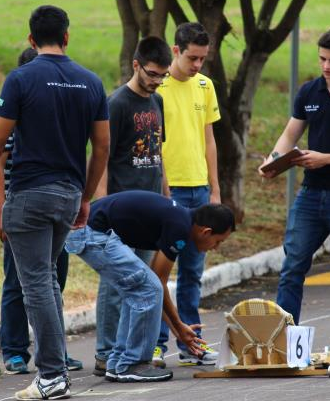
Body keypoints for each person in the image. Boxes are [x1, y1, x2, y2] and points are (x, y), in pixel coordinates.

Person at [0, 5, 109, 401]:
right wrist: (85, 196)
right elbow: (102, 147)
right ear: (67, 37)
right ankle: (55, 367)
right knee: (46, 280)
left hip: (29, 194)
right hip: (67, 195)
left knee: (36, 286)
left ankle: (51, 374)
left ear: (31, 39)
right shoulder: (91, 82)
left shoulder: (21, 78)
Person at [259, 29, 330, 354]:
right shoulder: (309, 91)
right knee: (292, 266)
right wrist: (273, 161)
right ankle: (285, 339)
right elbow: (289, 134)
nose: (326, 66)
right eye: (322, 59)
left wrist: (326, 159)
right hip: (310, 195)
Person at [65, 191, 235, 382]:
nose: (216, 248)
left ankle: (119, 362)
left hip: (88, 230)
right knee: (147, 289)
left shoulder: (181, 220)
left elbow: (155, 286)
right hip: (91, 232)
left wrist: (178, 329)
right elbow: (157, 284)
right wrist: (178, 327)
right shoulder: (180, 227)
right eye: (218, 241)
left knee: (140, 289)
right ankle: (133, 364)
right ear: (206, 232)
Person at [0, 47, 83, 375]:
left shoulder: (55, 114)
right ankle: (15, 348)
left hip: (58, 204)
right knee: (18, 280)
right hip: (22, 203)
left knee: (54, 278)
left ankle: (53, 351)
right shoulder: (14, 113)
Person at [91, 36, 171, 377]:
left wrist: (167, 200)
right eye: (152, 74)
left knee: (143, 283)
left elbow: (158, 155)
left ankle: (129, 351)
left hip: (152, 210)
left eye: (162, 76)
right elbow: (103, 157)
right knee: (116, 284)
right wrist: (104, 208)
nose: (156, 81)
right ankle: (105, 352)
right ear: (136, 65)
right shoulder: (117, 104)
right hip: (121, 211)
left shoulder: (158, 102)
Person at [155, 22, 221, 367]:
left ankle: (191, 341)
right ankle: (156, 340)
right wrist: (163, 186)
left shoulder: (205, 86)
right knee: (160, 270)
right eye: (192, 58)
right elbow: (155, 142)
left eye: (202, 59)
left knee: (194, 271)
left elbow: (209, 139)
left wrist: (215, 189)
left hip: (199, 188)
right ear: (176, 50)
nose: (197, 65)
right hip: (172, 187)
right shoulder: (158, 87)